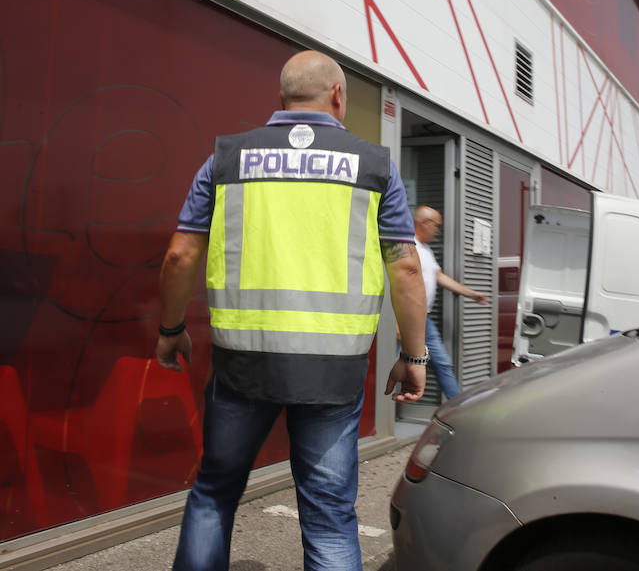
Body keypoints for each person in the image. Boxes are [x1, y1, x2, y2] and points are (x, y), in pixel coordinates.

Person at [154, 50, 429, 571]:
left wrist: (170, 328)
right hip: (334, 371)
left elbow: (180, 255)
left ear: (281, 98)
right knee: (328, 517)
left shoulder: (226, 159)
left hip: (242, 365)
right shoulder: (374, 166)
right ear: (338, 95)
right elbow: (407, 269)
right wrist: (414, 357)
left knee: (214, 494)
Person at [412, 205, 489, 400]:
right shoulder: (408, 247)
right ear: (425, 223)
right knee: (393, 364)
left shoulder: (425, 250)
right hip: (406, 318)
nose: (437, 231)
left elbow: (440, 277)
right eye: (436, 226)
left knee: (442, 363)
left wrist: (472, 294)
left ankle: (459, 406)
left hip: (424, 319)